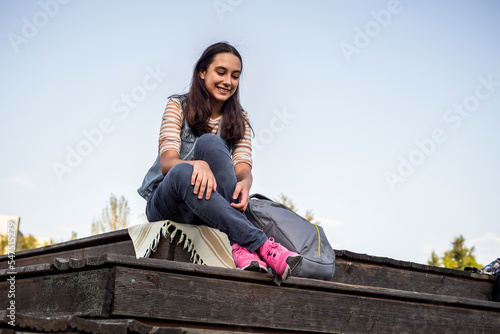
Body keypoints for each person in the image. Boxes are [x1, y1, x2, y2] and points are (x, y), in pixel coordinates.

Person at [138, 42, 302, 280]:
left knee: (211, 144)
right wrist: (195, 164)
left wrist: (245, 183)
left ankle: (238, 247)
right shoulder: (178, 106)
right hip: (169, 204)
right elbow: (167, 162)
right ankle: (261, 244)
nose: (228, 81)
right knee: (186, 169)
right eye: (221, 72)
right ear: (203, 72)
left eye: (235, 76)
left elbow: (243, 168)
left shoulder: (239, 119)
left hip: (210, 210)